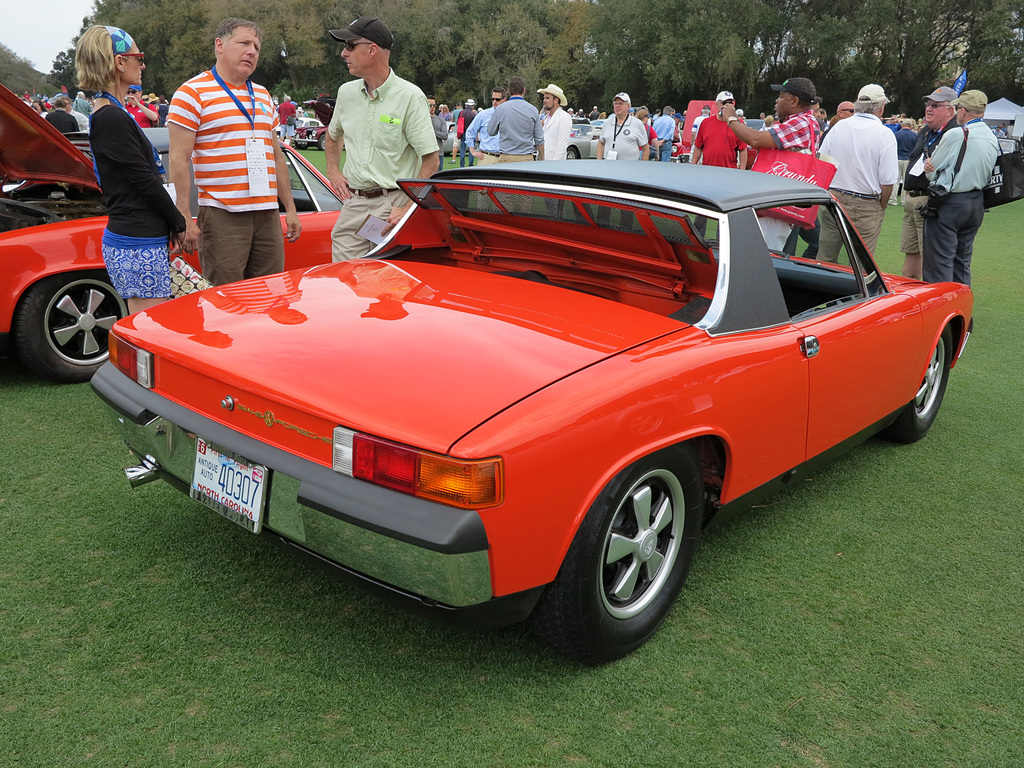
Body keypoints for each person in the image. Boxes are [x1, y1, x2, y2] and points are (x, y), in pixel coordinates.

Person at [168, 17, 301, 284]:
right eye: (244, 43)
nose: (252, 51)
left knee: (270, 295)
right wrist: (183, 215)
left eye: (256, 47)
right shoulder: (191, 92)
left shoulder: (263, 94)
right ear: (220, 44)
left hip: (266, 213)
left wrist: (290, 207)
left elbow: (276, 155)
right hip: (222, 214)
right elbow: (178, 158)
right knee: (225, 301)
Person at [75, 25, 186, 314]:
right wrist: (179, 222)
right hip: (136, 240)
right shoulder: (111, 117)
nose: (143, 63)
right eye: (139, 57)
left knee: (153, 325)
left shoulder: (111, 112)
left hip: (139, 235)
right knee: (149, 328)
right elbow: (144, 182)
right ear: (119, 62)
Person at [322, 16, 437, 261]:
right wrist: (332, 170)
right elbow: (332, 137)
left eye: (349, 46)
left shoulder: (410, 96)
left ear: (372, 50)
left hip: (393, 205)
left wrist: (407, 208)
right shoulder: (346, 93)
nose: (343, 53)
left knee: (388, 285)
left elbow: (431, 159)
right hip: (354, 203)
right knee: (344, 282)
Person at [720, 77, 820, 250]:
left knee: (760, 255)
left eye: (781, 96)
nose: (777, 100)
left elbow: (756, 139)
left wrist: (731, 119)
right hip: (783, 200)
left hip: (778, 203)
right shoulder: (806, 121)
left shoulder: (801, 123)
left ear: (794, 101)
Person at [922, 90, 999, 286]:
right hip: (976, 202)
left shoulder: (956, 134)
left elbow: (932, 172)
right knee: (962, 262)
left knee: (939, 264)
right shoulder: (991, 136)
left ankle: (943, 313)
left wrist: (929, 165)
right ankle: (964, 313)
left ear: (962, 111)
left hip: (950, 201)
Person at [817, 84, 898, 259]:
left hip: (834, 198)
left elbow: (821, 162)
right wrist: (882, 204)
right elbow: (888, 180)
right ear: (881, 106)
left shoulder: (838, 127)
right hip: (866, 203)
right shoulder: (884, 134)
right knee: (864, 265)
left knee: (825, 258)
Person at [899, 87, 960, 280]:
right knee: (910, 254)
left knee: (931, 259)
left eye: (935, 105)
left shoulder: (954, 134)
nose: (929, 109)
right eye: (928, 104)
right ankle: (909, 300)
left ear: (950, 110)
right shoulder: (925, 131)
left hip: (931, 202)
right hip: (912, 200)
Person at [487, 77, 544, 162]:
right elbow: (539, 139)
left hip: (506, 157)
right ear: (524, 91)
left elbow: (491, 131)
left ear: (509, 91)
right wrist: (542, 157)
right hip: (526, 158)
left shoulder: (500, 109)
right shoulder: (532, 110)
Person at [691, 91, 747, 169]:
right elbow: (698, 146)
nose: (727, 106)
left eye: (730, 103)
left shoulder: (737, 124)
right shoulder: (706, 123)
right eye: (724, 103)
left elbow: (743, 149)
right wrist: (693, 166)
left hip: (729, 171)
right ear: (717, 105)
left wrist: (742, 170)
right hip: (708, 169)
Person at [596, 93, 648, 161]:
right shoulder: (607, 123)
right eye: (615, 103)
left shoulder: (637, 124)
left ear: (628, 107)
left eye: (620, 103)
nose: (617, 106)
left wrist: (642, 168)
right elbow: (601, 142)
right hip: (609, 168)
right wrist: (599, 161)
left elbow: (645, 149)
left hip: (630, 168)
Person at [467, 87, 508, 165]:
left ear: (504, 99)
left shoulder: (509, 115)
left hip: (505, 157)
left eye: (497, 99)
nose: (494, 102)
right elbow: (470, 131)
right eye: (493, 99)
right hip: (487, 156)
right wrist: (472, 150)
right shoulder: (483, 115)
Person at [537, 83, 571, 161]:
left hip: (553, 165)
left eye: (547, 98)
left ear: (556, 100)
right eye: (544, 98)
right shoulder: (546, 118)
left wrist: (554, 166)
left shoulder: (564, 117)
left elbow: (562, 146)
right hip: (542, 163)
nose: (544, 101)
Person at [893, 119, 918, 204]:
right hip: (908, 159)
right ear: (911, 126)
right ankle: (904, 200)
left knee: (895, 180)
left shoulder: (896, 134)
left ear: (903, 125)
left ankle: (892, 200)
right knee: (905, 181)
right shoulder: (915, 135)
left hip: (897, 158)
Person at [427, 94, 447, 172]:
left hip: (438, 154)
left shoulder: (440, 120)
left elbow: (445, 135)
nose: (432, 108)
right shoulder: (421, 119)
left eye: (434, 106)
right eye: (430, 105)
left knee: (437, 179)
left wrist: (433, 132)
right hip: (425, 154)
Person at [458, 98, 477, 167]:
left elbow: (458, 122)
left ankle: (462, 164)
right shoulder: (473, 114)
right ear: (472, 106)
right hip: (471, 133)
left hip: (463, 132)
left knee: (462, 149)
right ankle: (470, 164)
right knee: (471, 149)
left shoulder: (462, 112)